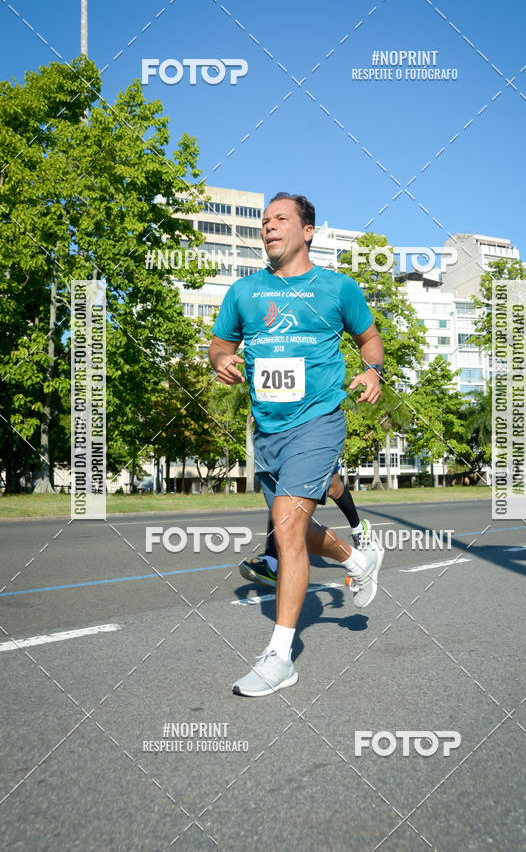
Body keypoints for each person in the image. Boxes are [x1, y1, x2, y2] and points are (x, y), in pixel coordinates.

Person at [208, 192, 384, 697]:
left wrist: (372, 371)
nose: (268, 227)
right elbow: (220, 343)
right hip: (267, 430)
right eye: (264, 221)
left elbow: (369, 340)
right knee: (297, 531)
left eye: (280, 219)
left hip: (319, 420)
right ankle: (356, 560)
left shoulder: (337, 288)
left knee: (285, 527)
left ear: (308, 230)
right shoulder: (244, 293)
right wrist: (219, 359)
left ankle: (280, 657)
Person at [239, 465, 374, 588]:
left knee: (333, 487)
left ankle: (358, 528)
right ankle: (272, 563)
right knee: (279, 498)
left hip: (316, 441)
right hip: (284, 443)